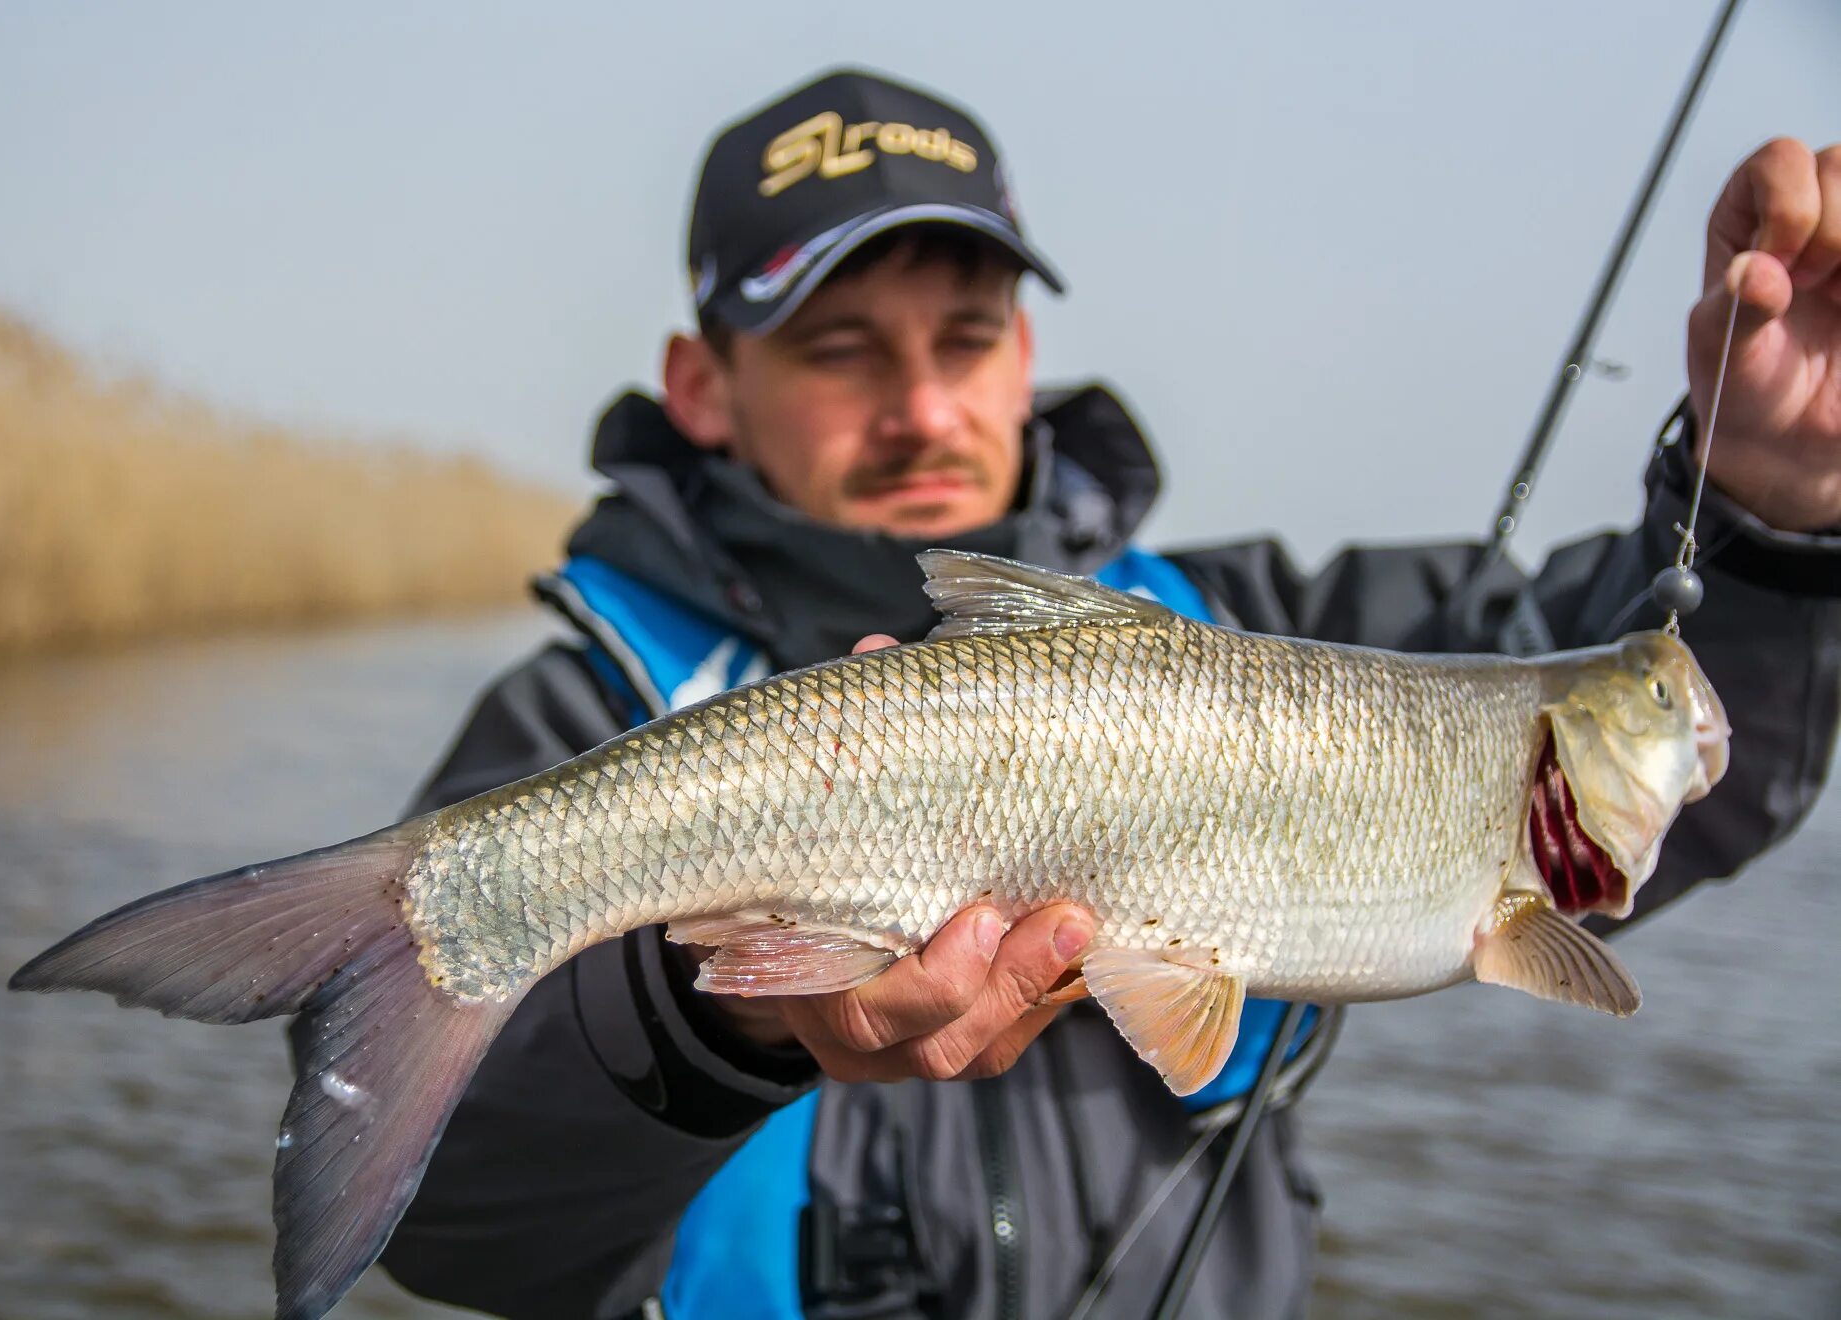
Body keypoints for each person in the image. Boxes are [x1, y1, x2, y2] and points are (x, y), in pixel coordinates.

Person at [371, 68, 1841, 1320]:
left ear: (1023, 350)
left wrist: (1772, 518)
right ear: (703, 383)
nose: (925, 408)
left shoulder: (1259, 634)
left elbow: (1624, 714)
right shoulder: (573, 729)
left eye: (964, 338)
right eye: (840, 349)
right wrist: (711, 1026)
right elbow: (445, 1225)